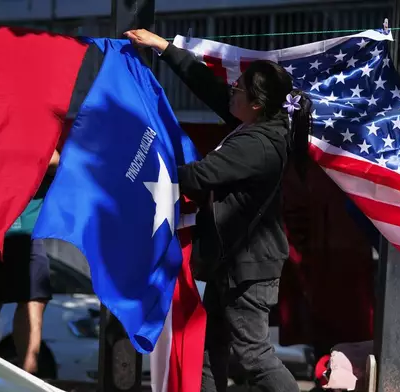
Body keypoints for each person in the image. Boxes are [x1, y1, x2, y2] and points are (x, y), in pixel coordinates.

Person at [125, 29, 312, 392]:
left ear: (256, 103)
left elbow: (199, 176)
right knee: (210, 351)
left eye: (238, 88)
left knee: (254, 354)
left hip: (249, 269)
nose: (231, 92)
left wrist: (132, 174)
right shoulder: (260, 124)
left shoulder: (259, 143)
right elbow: (208, 88)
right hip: (231, 264)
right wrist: (163, 48)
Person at [0, 149, 60, 376]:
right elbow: (53, 159)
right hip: (13, 227)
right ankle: (28, 375)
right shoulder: (25, 120)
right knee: (31, 298)